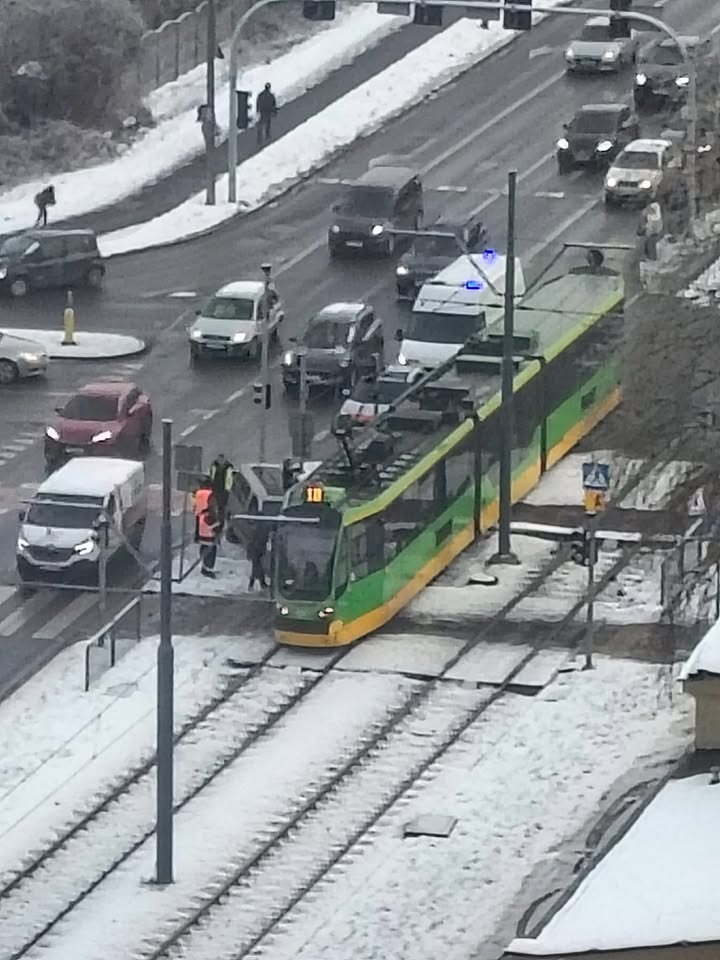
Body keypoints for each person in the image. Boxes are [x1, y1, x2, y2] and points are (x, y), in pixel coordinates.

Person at [194, 477, 222, 578]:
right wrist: (217, 526)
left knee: (204, 547)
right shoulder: (210, 495)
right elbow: (212, 510)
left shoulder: (199, 494)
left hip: (201, 524)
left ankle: (204, 566)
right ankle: (208, 569)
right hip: (209, 524)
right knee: (211, 549)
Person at [209, 453, 234, 526]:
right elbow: (211, 476)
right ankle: (216, 520)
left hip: (224, 489)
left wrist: (228, 488)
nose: (221, 460)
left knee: (222, 506)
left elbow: (230, 479)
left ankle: (222, 521)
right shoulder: (214, 465)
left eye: (222, 459)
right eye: (219, 459)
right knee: (215, 505)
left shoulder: (228, 467)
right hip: (215, 488)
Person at [247, 524, 268, 591]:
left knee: (256, 567)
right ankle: (260, 583)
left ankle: (254, 584)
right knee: (257, 567)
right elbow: (253, 541)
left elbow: (251, 542)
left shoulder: (256, 530)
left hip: (256, 550)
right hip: (256, 550)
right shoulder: (261, 530)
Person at [256, 82, 277, 146]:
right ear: (269, 88)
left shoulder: (260, 95)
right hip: (268, 111)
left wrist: (258, 110)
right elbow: (273, 104)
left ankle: (260, 137)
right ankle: (267, 135)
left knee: (261, 123)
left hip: (262, 111)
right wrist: (274, 111)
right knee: (268, 123)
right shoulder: (271, 95)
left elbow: (258, 102)